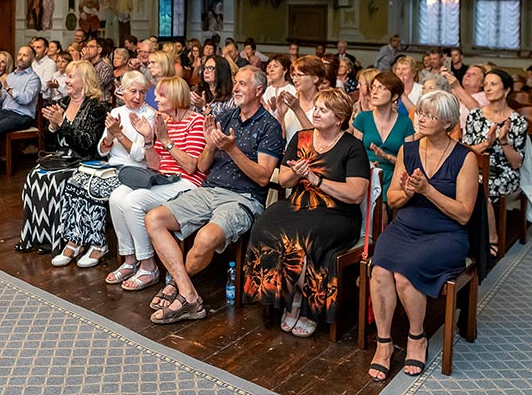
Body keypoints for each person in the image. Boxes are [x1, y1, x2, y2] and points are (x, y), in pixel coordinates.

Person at [144, 66, 284, 324]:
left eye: (243, 83)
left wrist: (231, 149)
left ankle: (178, 286)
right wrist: (210, 143)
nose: (236, 87)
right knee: (154, 219)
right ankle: (189, 295)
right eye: (235, 82)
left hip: (243, 198)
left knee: (207, 237)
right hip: (209, 189)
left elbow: (264, 176)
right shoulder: (227, 116)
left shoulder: (270, 126)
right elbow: (204, 166)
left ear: (259, 90)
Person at [367, 91, 478, 381]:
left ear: (448, 122)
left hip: (446, 234)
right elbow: (392, 200)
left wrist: (428, 190)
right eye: (421, 112)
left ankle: (417, 337)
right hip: (405, 227)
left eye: (430, 115)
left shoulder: (465, 158)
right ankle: (384, 342)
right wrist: (408, 191)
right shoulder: (409, 150)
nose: (421, 117)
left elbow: (465, 214)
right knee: (380, 270)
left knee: (405, 273)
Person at [244, 88, 370, 337]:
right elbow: (285, 182)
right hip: (299, 203)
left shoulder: (352, 147)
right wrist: (297, 173)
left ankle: (304, 306)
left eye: (324, 110)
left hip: (338, 212)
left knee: (302, 236)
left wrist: (315, 178)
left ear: (339, 118)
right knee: (263, 227)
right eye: (317, 107)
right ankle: (289, 296)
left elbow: (356, 193)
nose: (316, 113)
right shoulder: (301, 138)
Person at [105, 76, 208, 289]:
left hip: (187, 183)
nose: (155, 99)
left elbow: (190, 167)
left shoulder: (196, 121)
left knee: (134, 200)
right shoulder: (164, 121)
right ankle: (130, 260)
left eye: (161, 95)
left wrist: (166, 140)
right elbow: (155, 165)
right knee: (116, 197)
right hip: (163, 179)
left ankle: (148, 266)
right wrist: (150, 139)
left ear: (176, 97)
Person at [55, 72, 154, 269]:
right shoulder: (116, 111)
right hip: (111, 166)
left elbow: (139, 155)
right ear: (122, 92)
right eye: (133, 91)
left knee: (96, 189)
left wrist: (119, 134)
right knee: (75, 182)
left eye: (142, 92)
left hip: (134, 170)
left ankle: (98, 244)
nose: (137, 97)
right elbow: (101, 149)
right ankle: (75, 240)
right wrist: (109, 138)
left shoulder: (148, 115)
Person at [15, 61, 107, 252]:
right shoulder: (63, 103)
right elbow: (47, 140)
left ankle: (55, 239)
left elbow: (87, 144)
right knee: (35, 175)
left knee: (56, 180)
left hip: (83, 160)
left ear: (85, 80)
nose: (66, 81)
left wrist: (63, 123)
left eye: (71, 77)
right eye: (66, 76)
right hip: (61, 157)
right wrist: (52, 126)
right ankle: (36, 235)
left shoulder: (96, 107)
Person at [462, 69, 527, 259]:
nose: (487, 88)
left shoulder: (517, 120)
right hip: (477, 168)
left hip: (505, 173)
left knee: (482, 187)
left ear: (506, 90)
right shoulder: (475, 115)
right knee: (466, 183)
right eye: (486, 84)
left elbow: (516, 163)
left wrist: (504, 142)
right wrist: (486, 144)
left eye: (493, 84)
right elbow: (465, 150)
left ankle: (492, 238)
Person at [0, 46, 41, 178]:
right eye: (19, 54)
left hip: (22, 116)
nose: (20, 58)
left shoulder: (34, 79)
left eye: (25, 55)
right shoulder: (12, 76)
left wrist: (6, 87)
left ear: (32, 59)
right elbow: (3, 99)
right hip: (5, 112)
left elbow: (25, 99)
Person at [352, 72, 415, 204]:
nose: (375, 92)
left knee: (387, 201)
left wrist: (387, 157)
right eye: (373, 87)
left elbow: (410, 160)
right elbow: (354, 154)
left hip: (394, 174)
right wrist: (366, 164)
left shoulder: (405, 123)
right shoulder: (363, 118)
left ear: (395, 96)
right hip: (366, 172)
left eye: (382, 88)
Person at [275, 55, 325, 143]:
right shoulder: (290, 101)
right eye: (293, 75)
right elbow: (281, 138)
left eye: (299, 75)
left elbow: (318, 138)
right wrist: (281, 115)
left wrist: (297, 110)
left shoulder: (324, 103)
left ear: (315, 78)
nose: (294, 80)